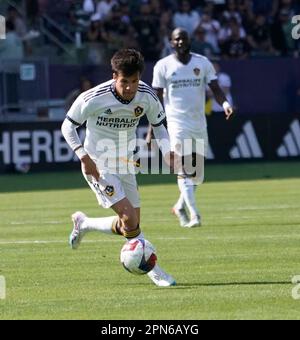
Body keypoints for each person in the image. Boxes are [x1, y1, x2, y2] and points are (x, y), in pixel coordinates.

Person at [61, 49, 176, 287]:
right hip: (98, 163)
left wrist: (168, 152)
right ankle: (152, 268)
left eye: (134, 81)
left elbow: (159, 125)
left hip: (125, 163)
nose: (130, 88)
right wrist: (83, 156)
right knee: (129, 218)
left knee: (130, 225)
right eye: (125, 82)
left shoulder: (146, 96)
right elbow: (67, 127)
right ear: (115, 76)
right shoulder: (93, 97)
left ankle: (84, 224)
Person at [147, 27, 233, 228]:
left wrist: (226, 104)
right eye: (176, 39)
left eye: (183, 39)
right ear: (171, 42)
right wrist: (153, 129)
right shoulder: (163, 66)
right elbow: (156, 100)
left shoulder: (202, 63)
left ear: (189, 41)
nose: (180, 42)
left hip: (199, 123)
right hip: (176, 123)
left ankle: (179, 206)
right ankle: (195, 215)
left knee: (197, 173)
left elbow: (215, 89)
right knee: (183, 168)